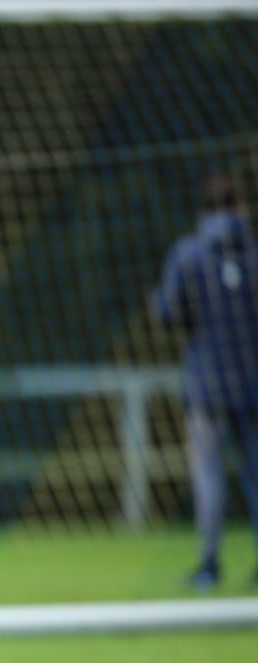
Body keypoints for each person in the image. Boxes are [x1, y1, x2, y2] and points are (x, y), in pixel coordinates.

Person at [151, 173, 258, 590]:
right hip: (253, 384)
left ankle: (209, 566)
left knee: (208, 476)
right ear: (238, 206)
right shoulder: (253, 254)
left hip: (208, 387)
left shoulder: (188, 255)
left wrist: (157, 305)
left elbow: (168, 314)